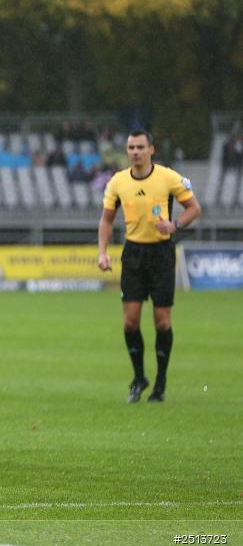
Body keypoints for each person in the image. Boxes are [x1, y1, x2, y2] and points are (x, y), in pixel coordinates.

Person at [97, 129, 201, 403]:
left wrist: (175, 224)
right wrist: (103, 252)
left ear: (151, 150)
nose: (135, 152)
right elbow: (106, 220)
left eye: (140, 147)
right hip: (133, 255)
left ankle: (161, 383)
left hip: (161, 254)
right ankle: (139, 377)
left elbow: (194, 208)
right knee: (130, 321)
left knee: (162, 321)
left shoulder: (168, 177)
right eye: (131, 147)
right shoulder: (118, 182)